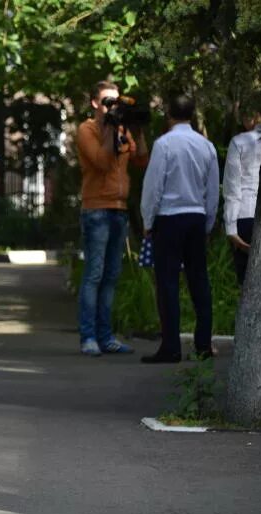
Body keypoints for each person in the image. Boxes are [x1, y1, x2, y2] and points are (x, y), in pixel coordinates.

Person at [140, 95, 219, 363]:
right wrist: (208, 224)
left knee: (168, 284)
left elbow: (154, 187)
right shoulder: (206, 146)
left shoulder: (164, 145)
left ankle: (171, 347)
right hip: (196, 218)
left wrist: (148, 221)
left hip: (169, 219)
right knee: (199, 281)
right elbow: (212, 191)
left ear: (169, 115)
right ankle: (203, 344)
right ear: (192, 114)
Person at [76, 81, 149, 356]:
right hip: (96, 209)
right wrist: (108, 129)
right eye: (108, 101)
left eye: (116, 101)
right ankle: (89, 337)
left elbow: (141, 159)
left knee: (112, 275)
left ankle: (106, 337)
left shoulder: (120, 129)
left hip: (119, 209)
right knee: (94, 274)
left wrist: (136, 129)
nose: (112, 107)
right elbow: (102, 162)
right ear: (95, 103)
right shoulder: (88, 130)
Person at [222, 108, 261, 285]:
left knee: (248, 283)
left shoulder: (240, 141)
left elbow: (233, 187)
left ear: (254, 116)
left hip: (246, 215)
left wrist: (230, 227)